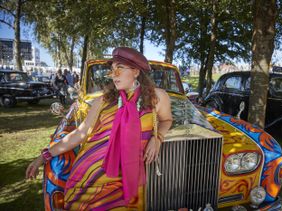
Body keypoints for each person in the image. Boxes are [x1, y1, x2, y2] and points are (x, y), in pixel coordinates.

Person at [26, 47, 173, 210]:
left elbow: (166, 120)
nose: (113, 74)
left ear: (136, 72)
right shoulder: (104, 100)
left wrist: (157, 138)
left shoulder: (157, 97)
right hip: (90, 177)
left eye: (119, 68)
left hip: (127, 179)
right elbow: (81, 133)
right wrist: (45, 155)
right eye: (111, 69)